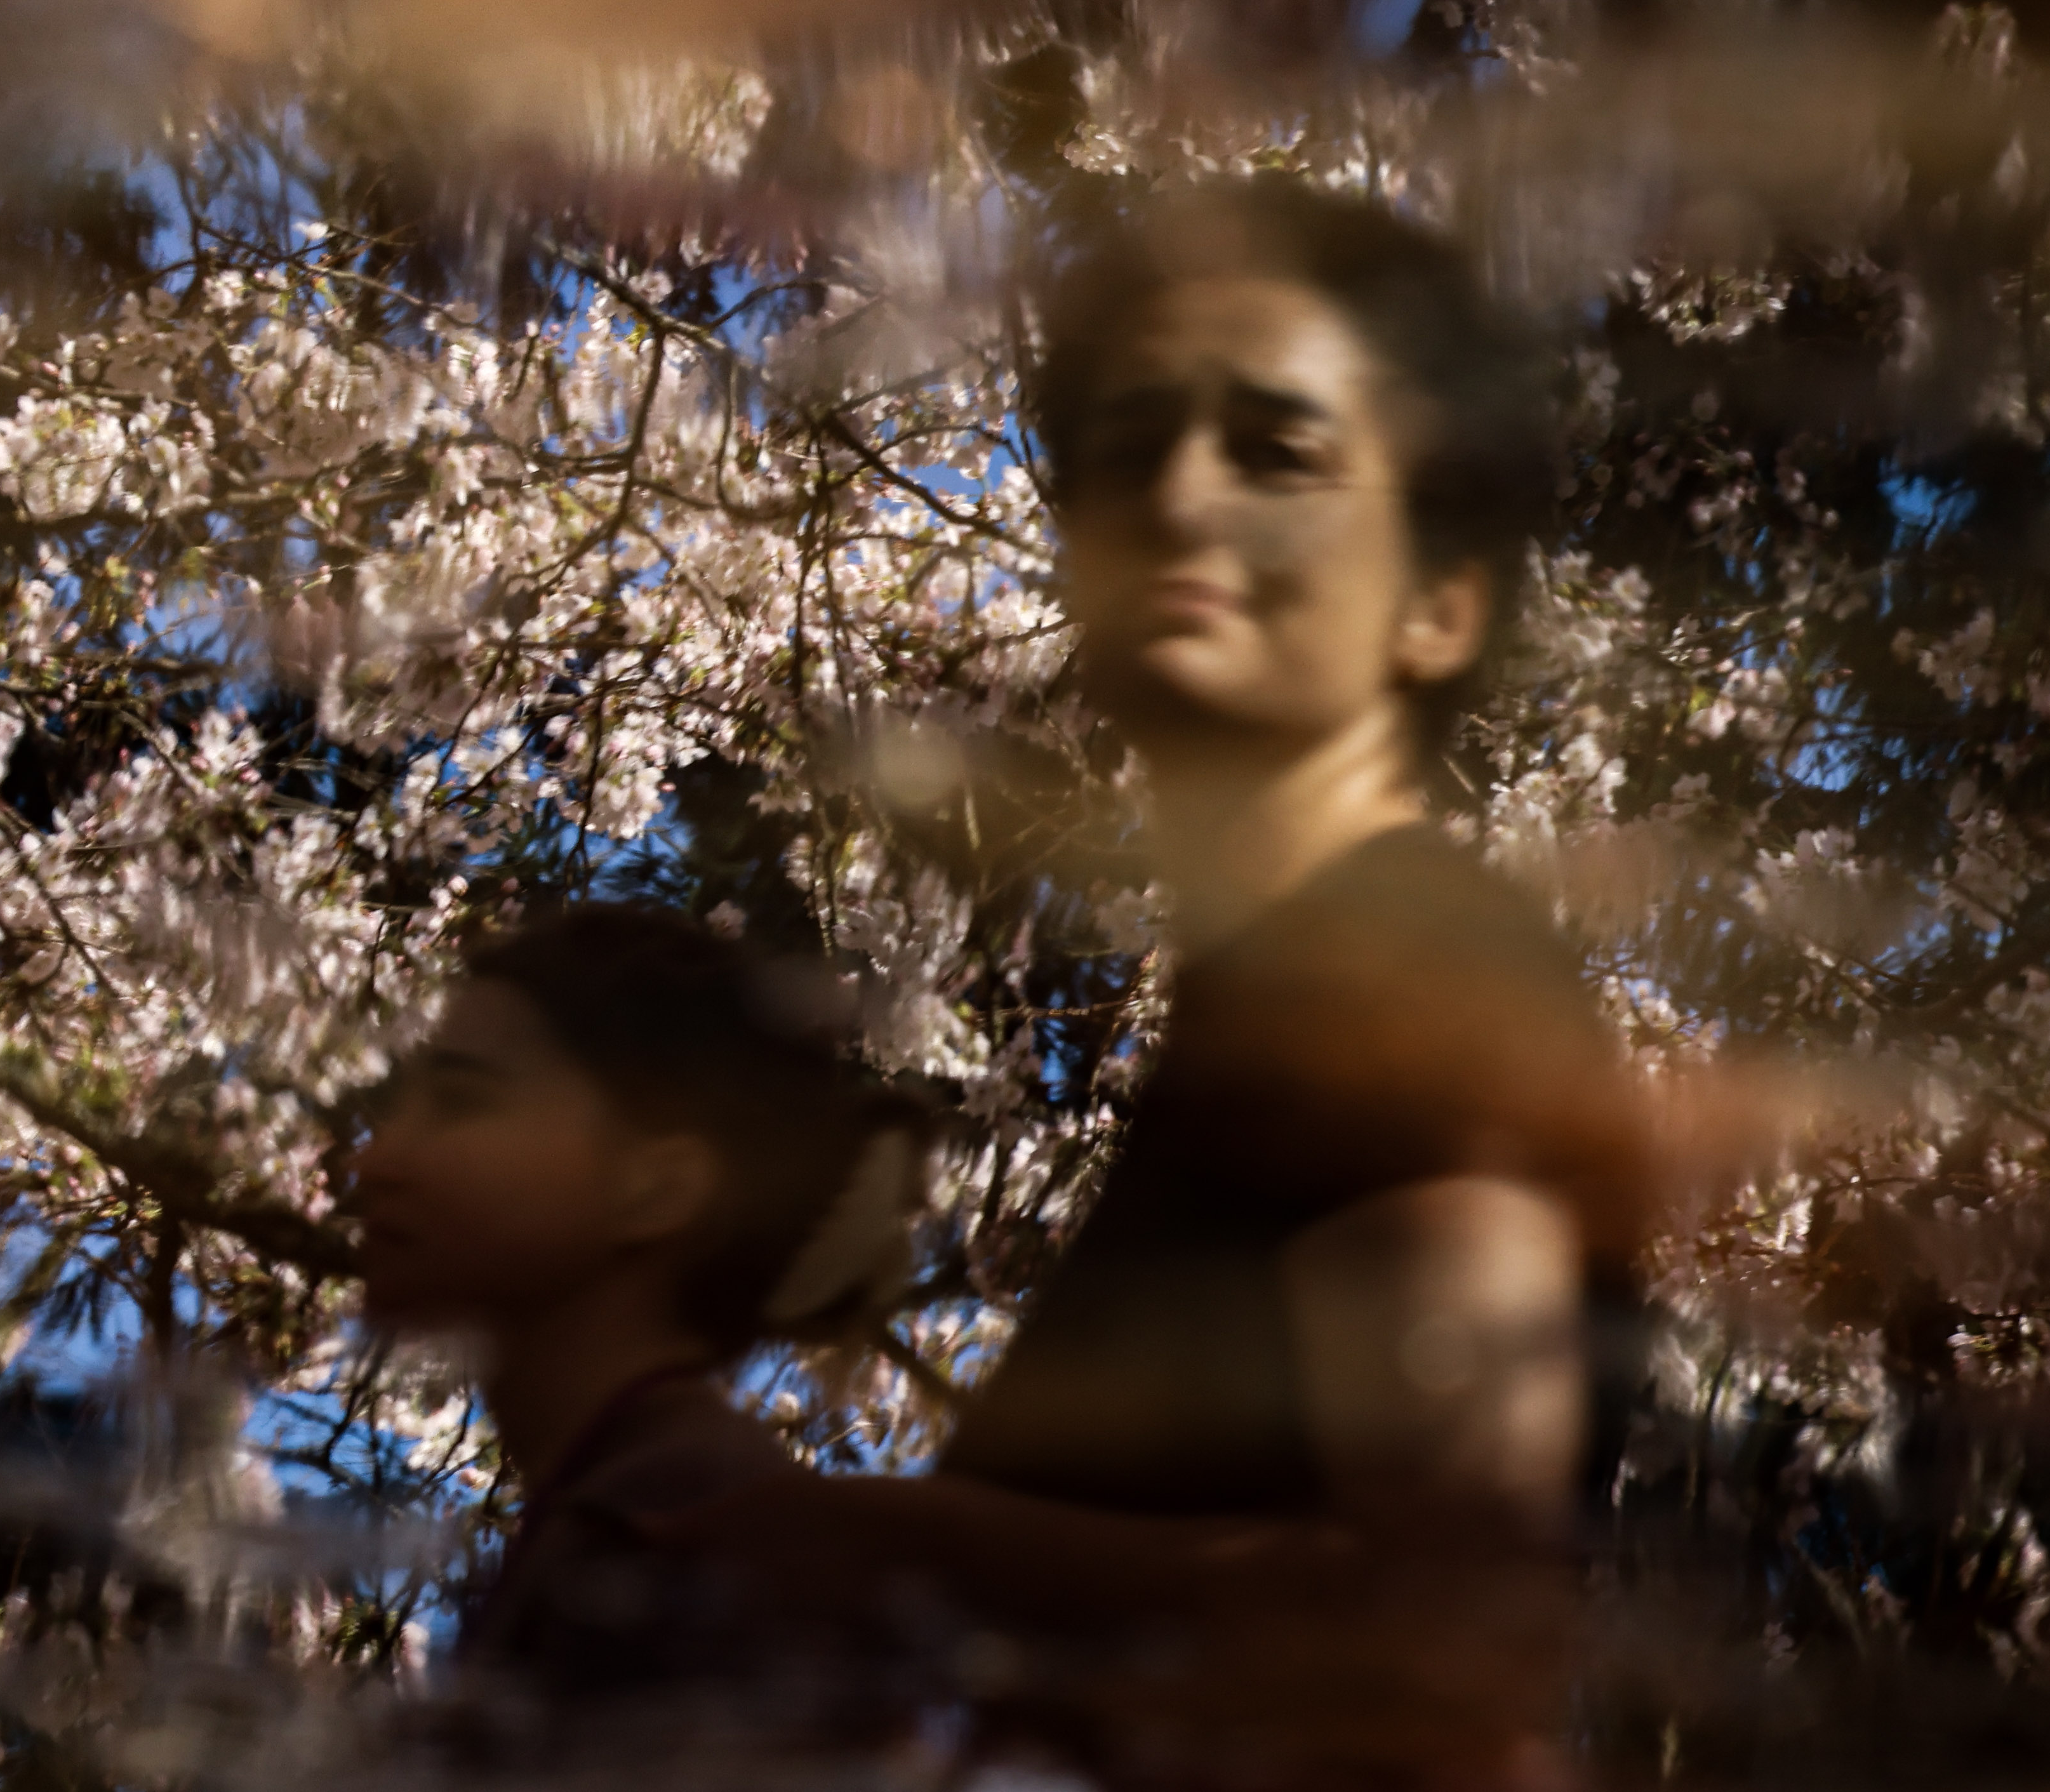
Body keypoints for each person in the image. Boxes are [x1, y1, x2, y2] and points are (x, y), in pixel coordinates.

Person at [663, 181, 1655, 1786]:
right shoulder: (1274, 1002)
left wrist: (875, 1543)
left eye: (1276, 450)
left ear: (1439, 599)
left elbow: (1446, 1618)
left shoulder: (1404, 967)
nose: (1180, 498)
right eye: (1125, 450)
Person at [350, 904, 925, 1737]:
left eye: (460, 1099)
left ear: (657, 1188)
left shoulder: (681, 1543)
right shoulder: (643, 1501)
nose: (375, 1159)